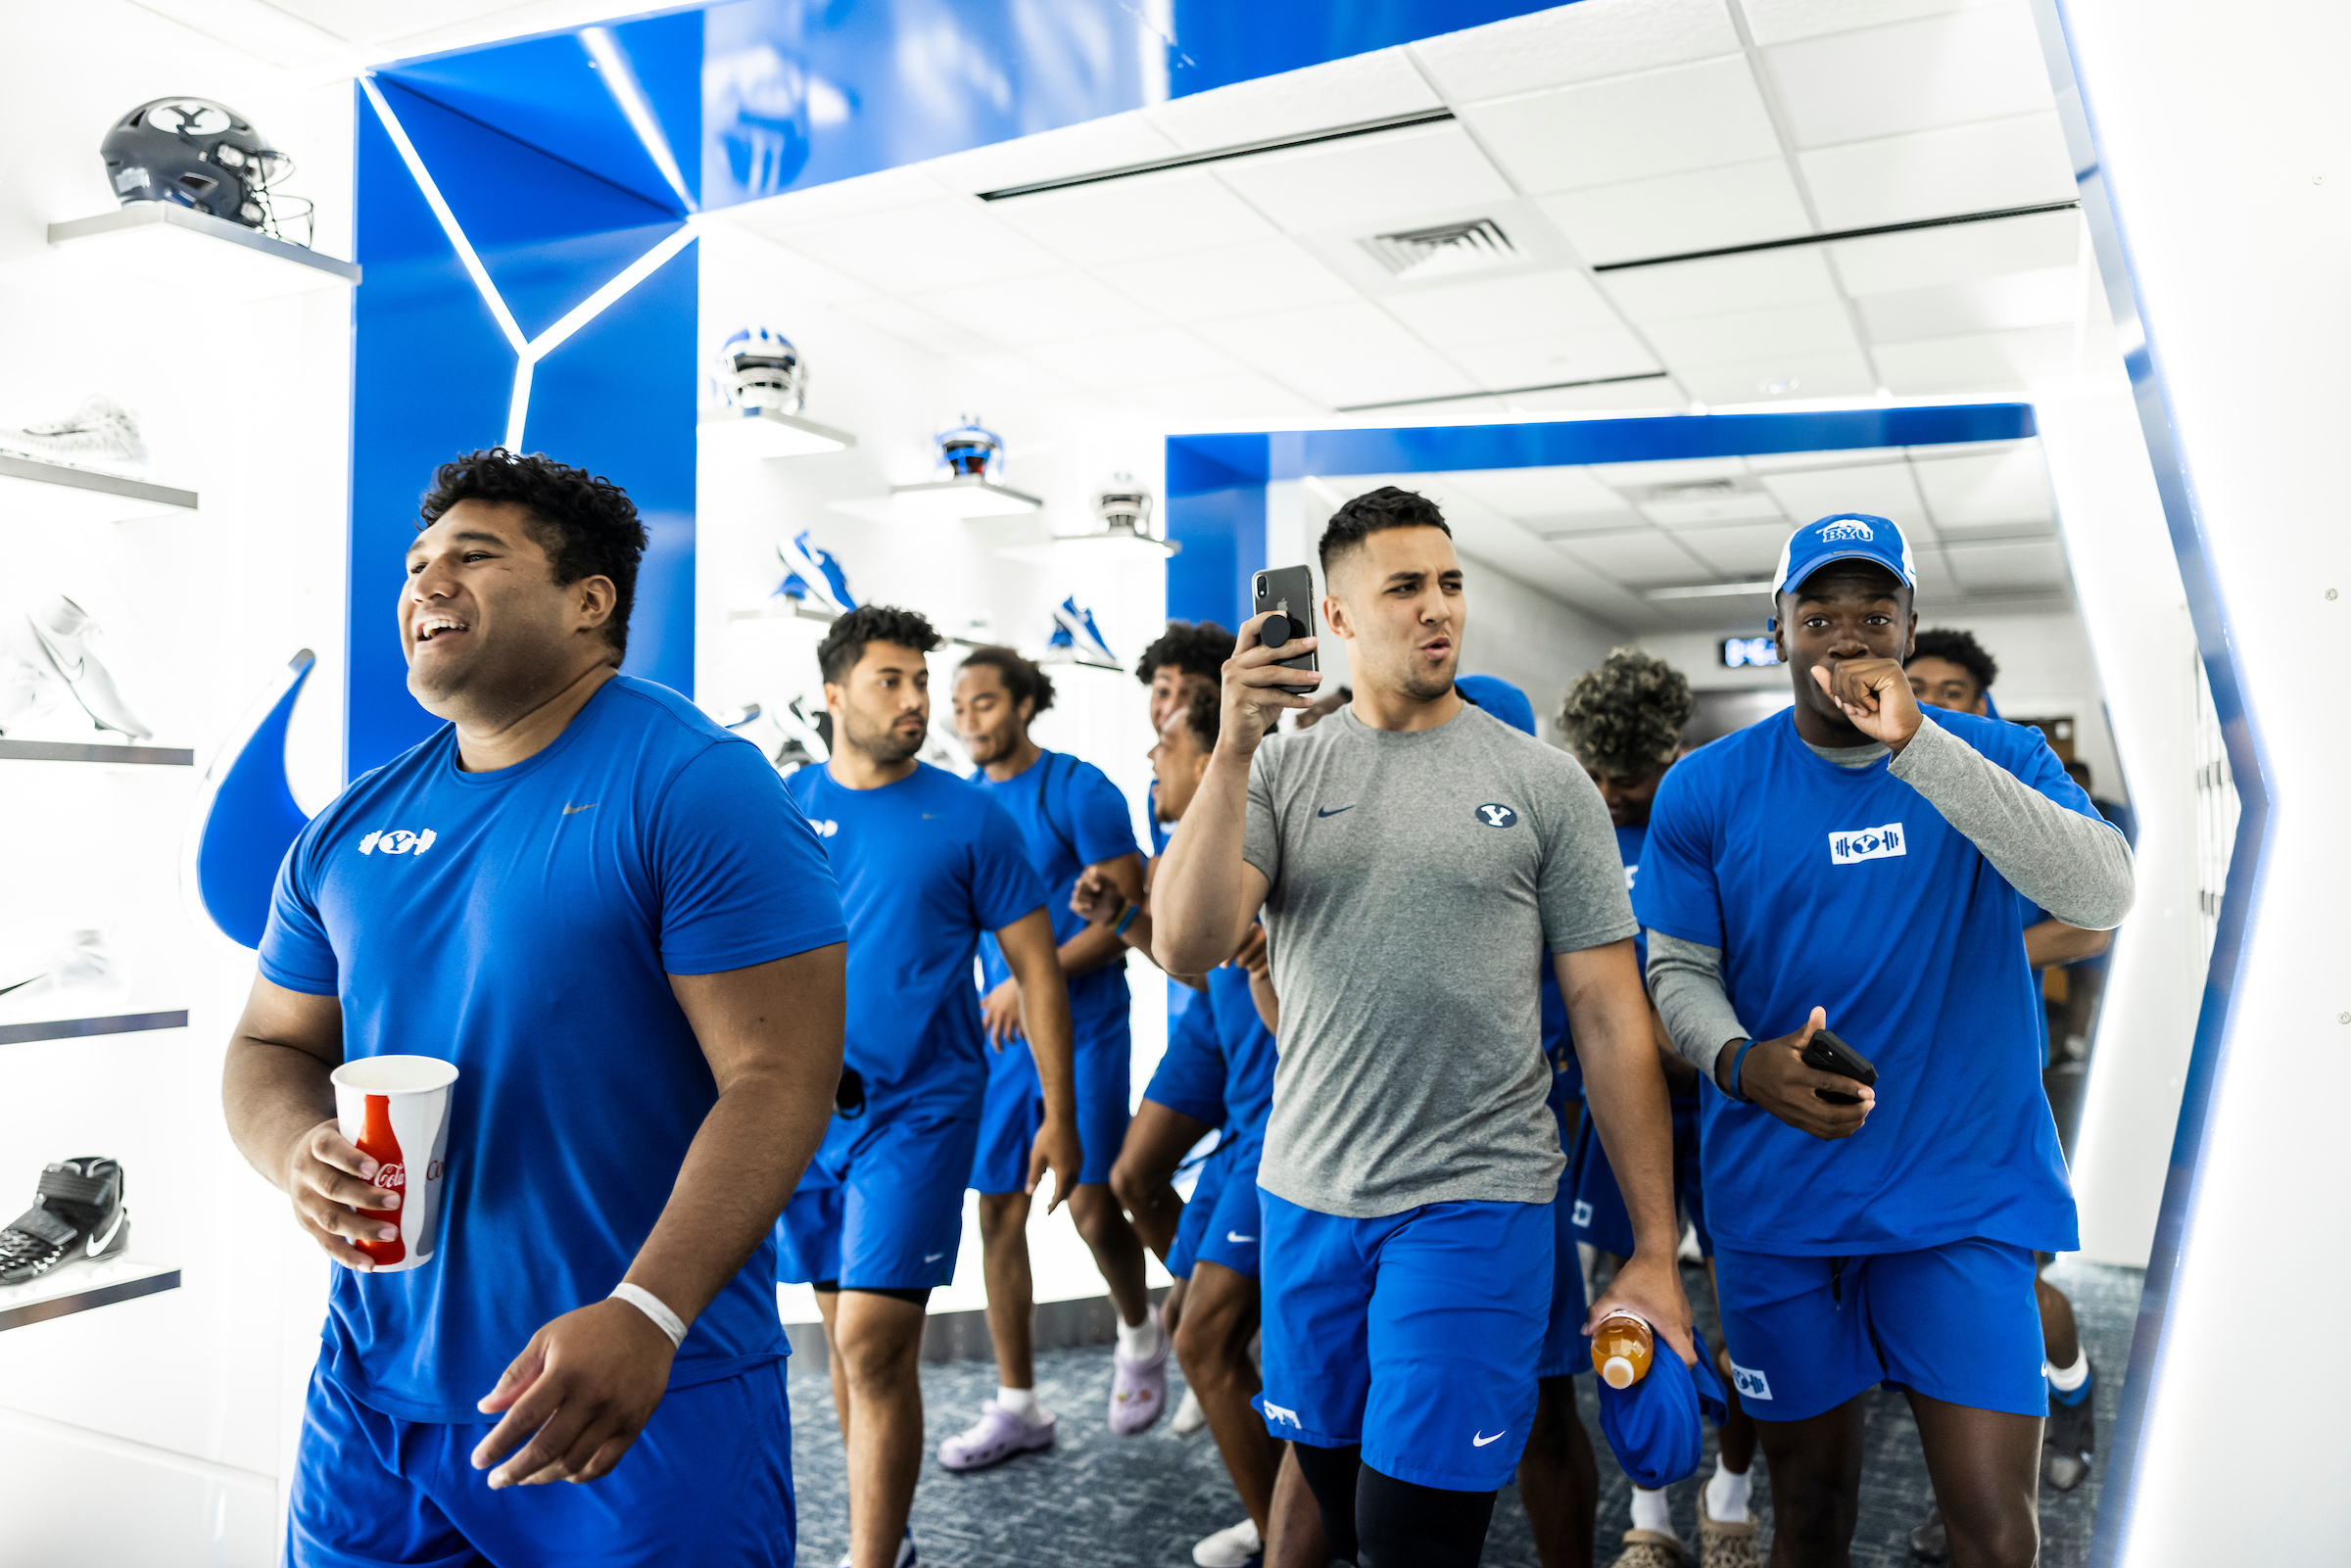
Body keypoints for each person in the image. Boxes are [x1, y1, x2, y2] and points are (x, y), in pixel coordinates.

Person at [225, 450, 847, 1567]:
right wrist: (295, 1149)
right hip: (378, 1397)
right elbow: (272, 1041)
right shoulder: (350, 826)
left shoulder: (698, 784)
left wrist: (648, 1312)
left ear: (589, 600)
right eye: (417, 562)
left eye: (473, 555)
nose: (426, 580)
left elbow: (781, 1078)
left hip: (633, 1389)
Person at [1152, 485, 1694, 1568]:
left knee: (1416, 1534)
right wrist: (1232, 750)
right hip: (1310, 1193)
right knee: (1346, 1508)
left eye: (1450, 582)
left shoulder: (1542, 783)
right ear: (1338, 618)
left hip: (1476, 1194)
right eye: (1406, 586)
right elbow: (1186, 941)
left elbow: (1607, 1012)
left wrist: (1649, 1246)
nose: (1438, 606)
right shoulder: (1284, 769)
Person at [1641, 514, 2134, 1568]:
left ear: (1910, 625)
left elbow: (2103, 890)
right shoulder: (1708, 787)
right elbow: (1677, 971)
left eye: (1876, 612)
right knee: (1810, 1517)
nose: (1847, 636)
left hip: (1961, 1198)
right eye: (1819, 614)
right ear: (1779, 630)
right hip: (1783, 1202)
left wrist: (1920, 744)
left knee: (1996, 1537)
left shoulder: (1997, 756)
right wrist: (1739, 1059)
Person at [779, 606, 1081, 1568]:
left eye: (921, 681)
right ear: (834, 696)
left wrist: (1059, 1117)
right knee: (846, 1340)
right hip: (806, 1107)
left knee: (870, 1340)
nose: (916, 701)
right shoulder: (783, 806)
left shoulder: (967, 814)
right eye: (891, 681)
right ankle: (891, 1535)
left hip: (924, 1104)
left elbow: (1036, 969)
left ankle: (869, 1559)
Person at [1506, 655, 1759, 1568]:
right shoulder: (1573, 825)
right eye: (1597, 772)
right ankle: (1649, 1514)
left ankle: (1729, 1496)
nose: (1611, 791)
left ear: (1671, 754)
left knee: (1749, 1317)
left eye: (1630, 776)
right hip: (1616, 1112)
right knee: (1632, 1308)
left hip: (1723, 1108)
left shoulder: (1711, 821)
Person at [1898, 630, 2109, 1553]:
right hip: (1894, 1106)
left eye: (1952, 689)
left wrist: (1980, 955)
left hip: (1991, 1098)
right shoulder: (1873, 791)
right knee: (1931, 1326)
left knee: (2020, 1293)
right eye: (1919, 686)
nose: (1934, 699)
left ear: (1981, 706)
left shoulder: (2007, 794)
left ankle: (2076, 1390)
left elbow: (2088, 926)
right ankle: (1962, 1492)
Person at [1097, 683, 1307, 1568]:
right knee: (1141, 1210)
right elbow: (1193, 960)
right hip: (1235, 1088)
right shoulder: (1189, 843)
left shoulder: (1264, 819)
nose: (1150, 762)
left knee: (1202, 1332)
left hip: (1284, 1118)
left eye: (1163, 742)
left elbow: (1286, 1005)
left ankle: (1287, 1536)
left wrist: (1267, 965)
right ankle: (1284, 1522)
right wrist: (1126, 921)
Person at [942, 645, 1160, 1466]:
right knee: (995, 1210)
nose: (969, 719)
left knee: (1092, 1203)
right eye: (959, 705)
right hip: (1002, 1043)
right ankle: (1018, 1404)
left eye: (986, 703)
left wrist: (1031, 981)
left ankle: (1139, 1333)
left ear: (1026, 705)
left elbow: (1127, 916)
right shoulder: (960, 807)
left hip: (1091, 1023)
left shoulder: (1079, 789)